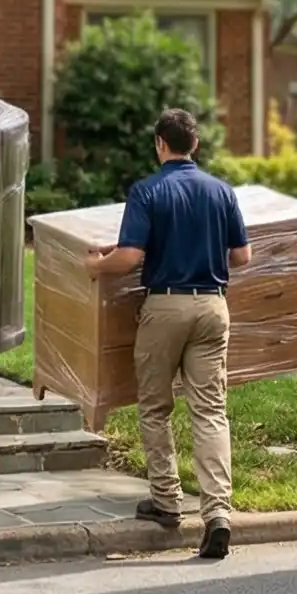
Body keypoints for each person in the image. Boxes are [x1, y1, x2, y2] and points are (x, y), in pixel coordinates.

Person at [88, 107, 251, 560]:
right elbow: (243, 258)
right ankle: (218, 514)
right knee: (210, 410)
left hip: (165, 306)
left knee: (156, 406)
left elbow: (128, 258)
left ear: (161, 144)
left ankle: (166, 501)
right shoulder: (222, 191)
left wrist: (96, 264)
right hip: (213, 306)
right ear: (194, 144)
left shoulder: (147, 191)